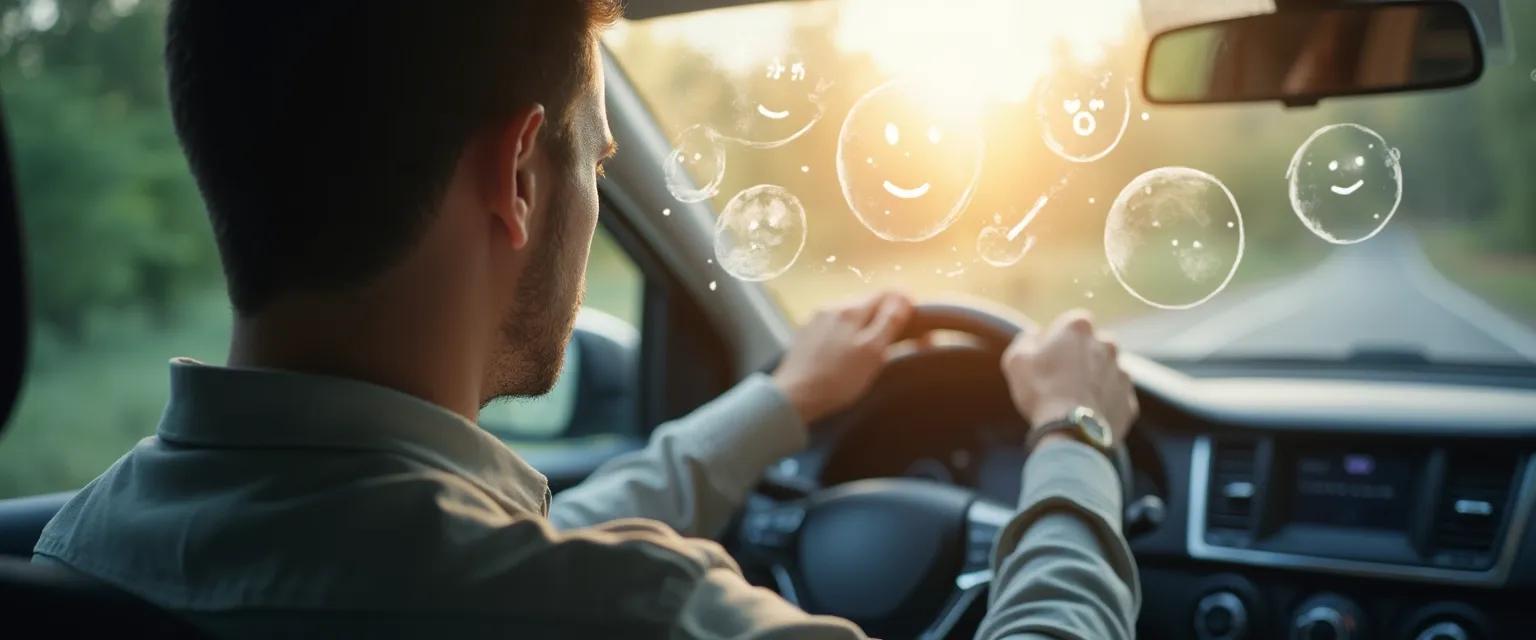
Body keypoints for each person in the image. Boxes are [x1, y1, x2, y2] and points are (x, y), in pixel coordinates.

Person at [34, 2, 1140, 638]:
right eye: (599, 155)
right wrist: (1075, 438)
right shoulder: (629, 614)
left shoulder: (75, 547)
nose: (598, 185)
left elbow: (461, 543)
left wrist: (785, 400)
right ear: (521, 173)